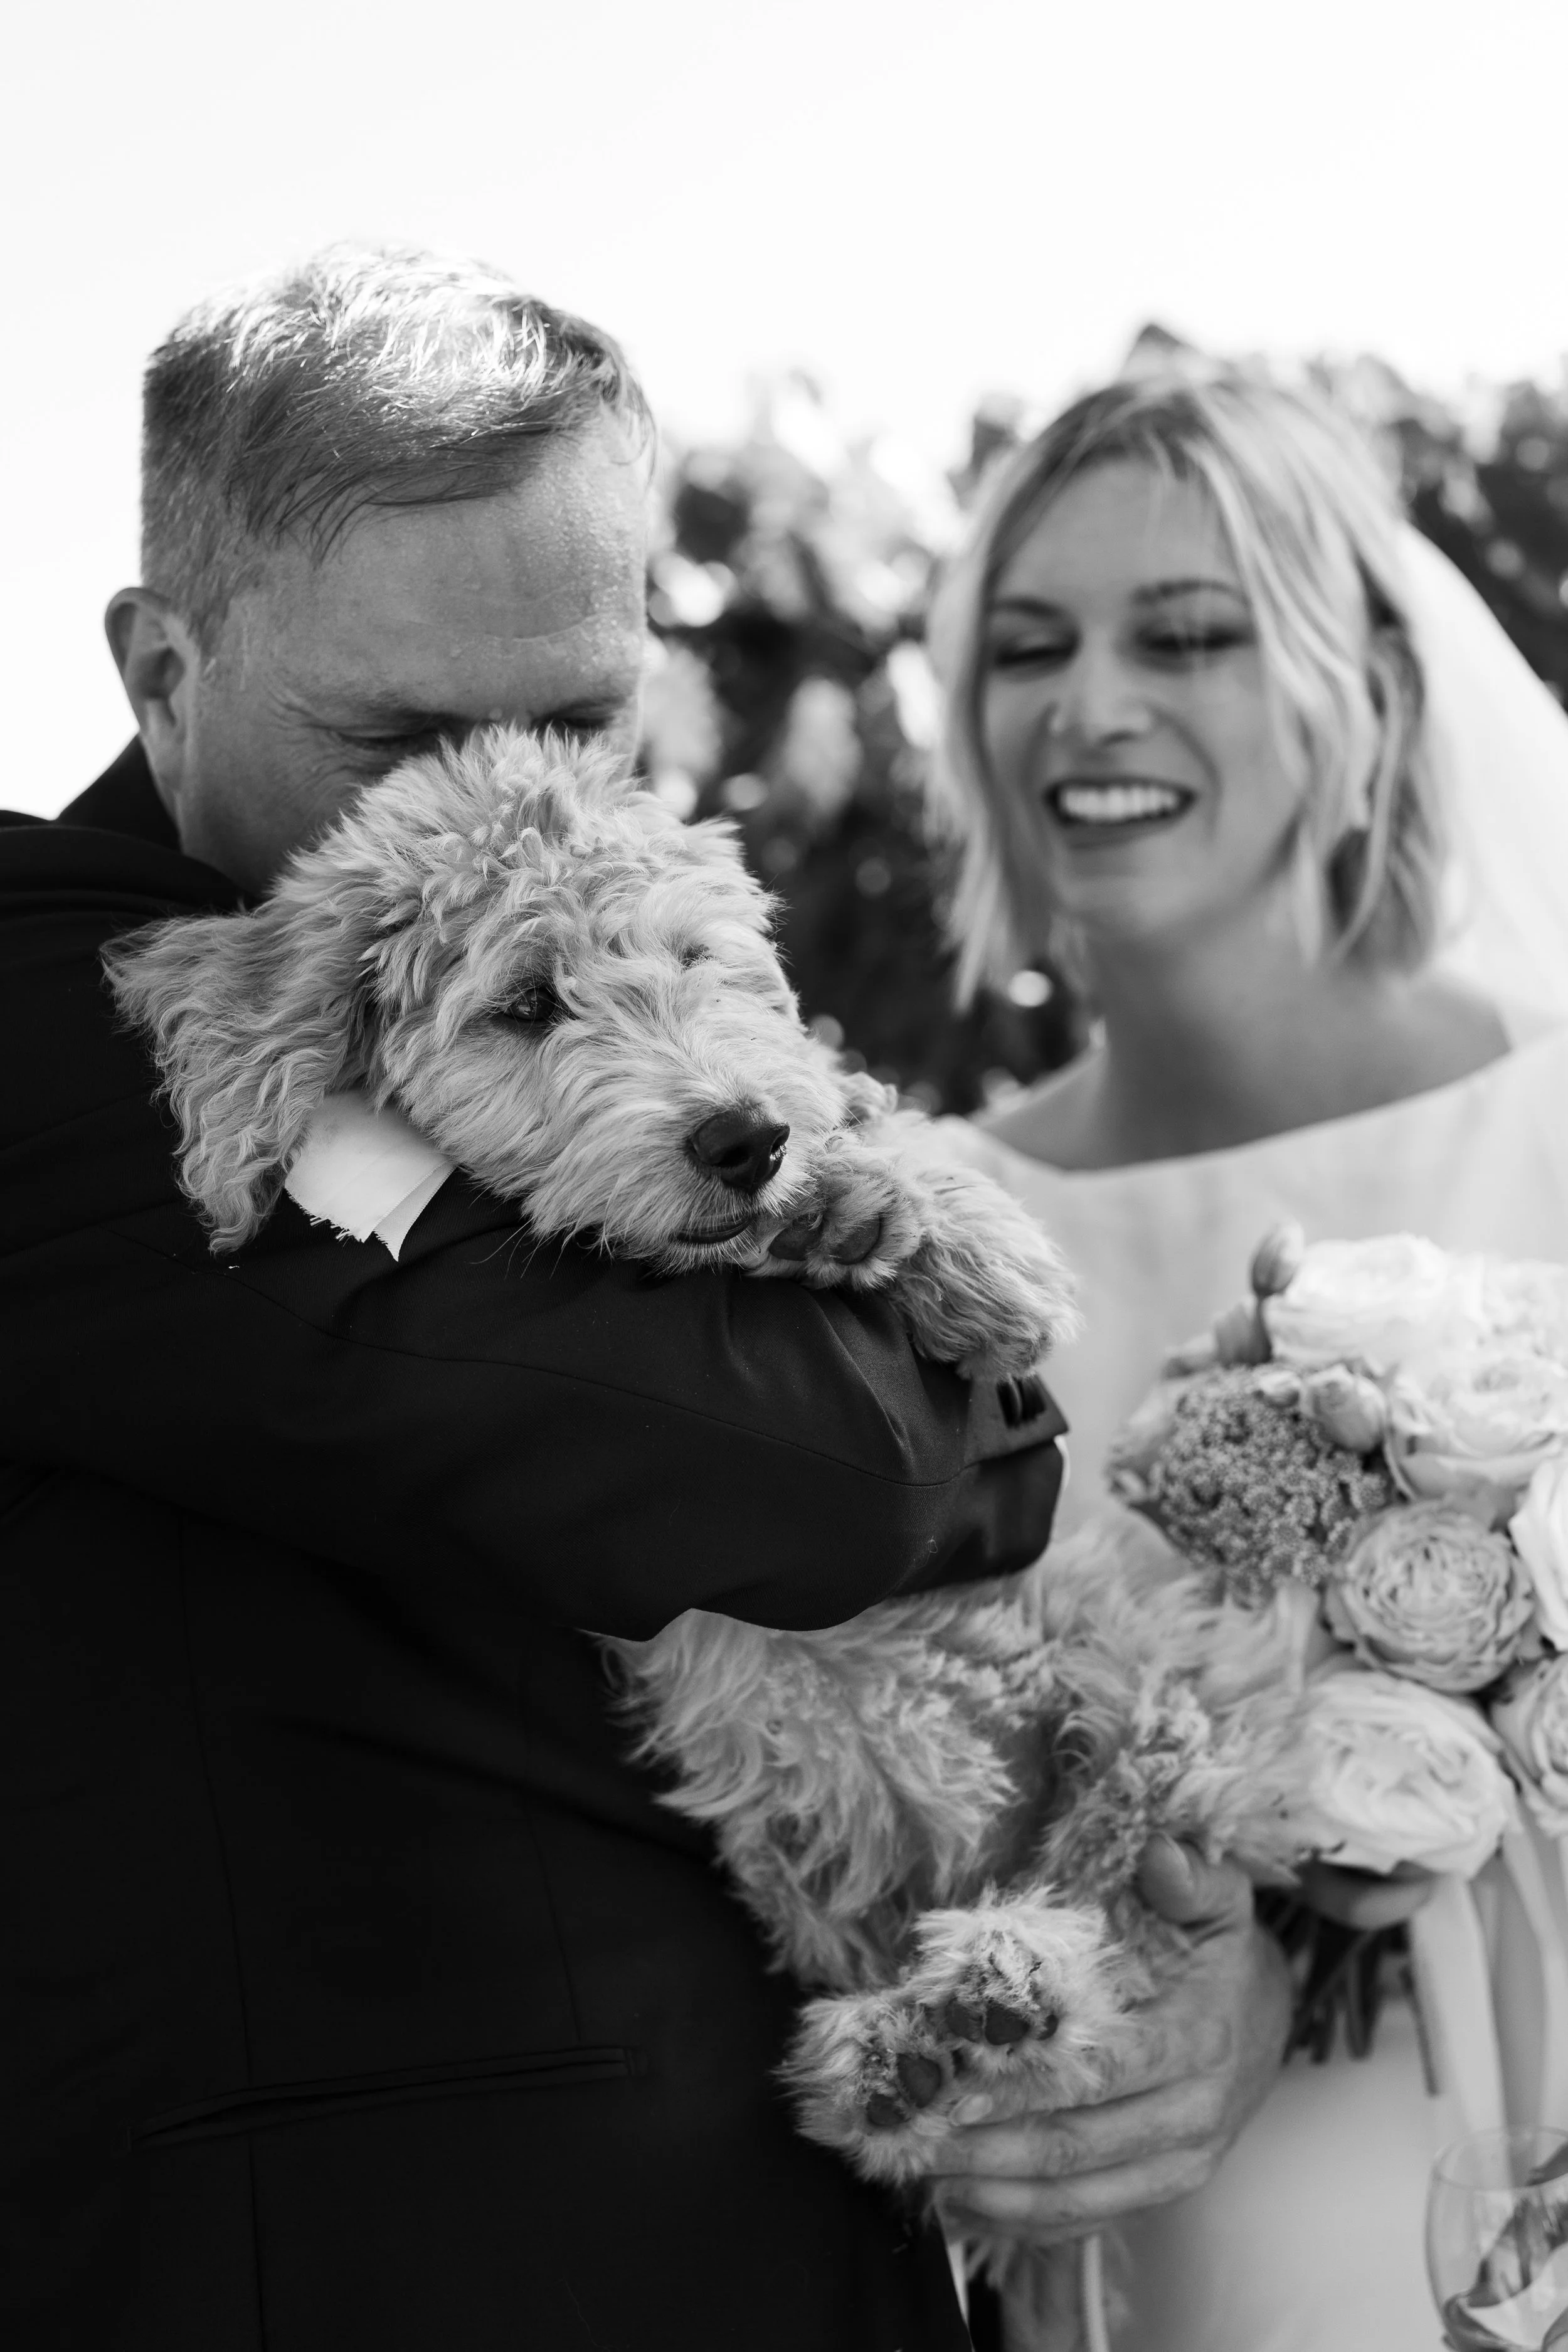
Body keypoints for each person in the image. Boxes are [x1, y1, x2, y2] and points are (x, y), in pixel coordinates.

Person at [0, 246, 1270, 2352]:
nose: (527, 805)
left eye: (583, 716)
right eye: (401, 731)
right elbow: (830, 1463)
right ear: (161, 669)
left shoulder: (632, 952)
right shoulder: (65, 1017)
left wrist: (1184, 1953)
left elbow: (981, 1435)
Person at [921, 360, 1568, 2351]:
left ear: (1360, 688)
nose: (1087, 705)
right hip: (1132, 2245)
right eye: (1028, 647)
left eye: (1185, 635)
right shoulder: (928, 1240)